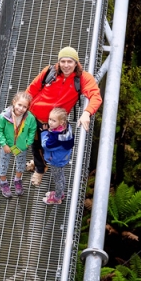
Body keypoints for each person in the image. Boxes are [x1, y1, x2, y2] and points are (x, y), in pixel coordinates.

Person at [26, 46, 102, 186]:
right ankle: (40, 166)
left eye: (70, 62)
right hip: (34, 116)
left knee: (48, 145)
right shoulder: (49, 72)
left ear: (76, 63)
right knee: (36, 144)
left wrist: (87, 113)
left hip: (53, 122)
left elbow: (96, 97)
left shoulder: (82, 78)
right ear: (59, 62)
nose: (66, 65)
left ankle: (40, 169)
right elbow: (32, 89)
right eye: (63, 61)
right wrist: (22, 108)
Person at [0, 91, 37, 197]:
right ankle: (3, 182)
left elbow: (32, 129)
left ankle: (17, 180)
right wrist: (4, 144)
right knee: (3, 163)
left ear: (27, 108)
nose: (21, 108)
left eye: (24, 107)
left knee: (21, 163)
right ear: (14, 102)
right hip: (7, 145)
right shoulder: (4, 116)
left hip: (21, 146)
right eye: (19, 105)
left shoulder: (30, 118)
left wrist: (28, 142)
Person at [40, 107, 74, 205]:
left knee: (57, 178)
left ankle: (57, 197)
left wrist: (44, 132)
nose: (50, 122)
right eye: (50, 119)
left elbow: (45, 145)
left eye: (53, 120)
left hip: (56, 160)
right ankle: (60, 192)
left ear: (61, 122)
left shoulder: (56, 137)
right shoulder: (66, 128)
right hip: (63, 157)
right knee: (60, 176)